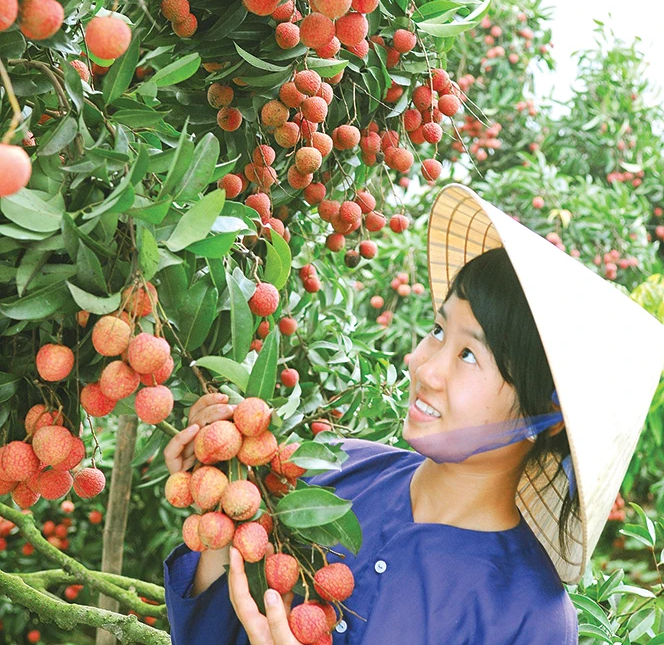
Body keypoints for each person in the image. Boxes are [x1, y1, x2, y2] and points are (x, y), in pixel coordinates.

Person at [163, 183, 664, 644]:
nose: (425, 367)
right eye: (439, 330)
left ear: (548, 416)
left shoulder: (530, 618)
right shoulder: (329, 470)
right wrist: (221, 500)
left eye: (470, 355)